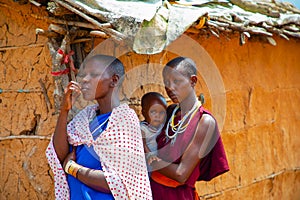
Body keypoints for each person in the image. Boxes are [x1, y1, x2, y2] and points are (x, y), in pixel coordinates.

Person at [45, 54, 152, 199]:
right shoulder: (84, 119)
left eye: (94, 75)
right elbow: (60, 156)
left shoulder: (124, 122)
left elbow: (120, 183)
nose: (85, 80)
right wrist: (64, 111)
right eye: (84, 75)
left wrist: (73, 168)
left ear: (114, 80)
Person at [150, 57, 229, 199]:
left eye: (177, 81)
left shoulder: (204, 122)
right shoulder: (169, 112)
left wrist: (149, 158)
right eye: (167, 83)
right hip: (152, 192)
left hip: (177, 195)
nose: (170, 88)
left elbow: (181, 174)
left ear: (193, 81)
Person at [140, 92, 167, 166]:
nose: (157, 116)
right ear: (143, 112)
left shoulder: (163, 126)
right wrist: (150, 155)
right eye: (153, 112)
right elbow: (143, 144)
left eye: (161, 112)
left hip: (160, 161)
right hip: (148, 161)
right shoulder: (142, 129)